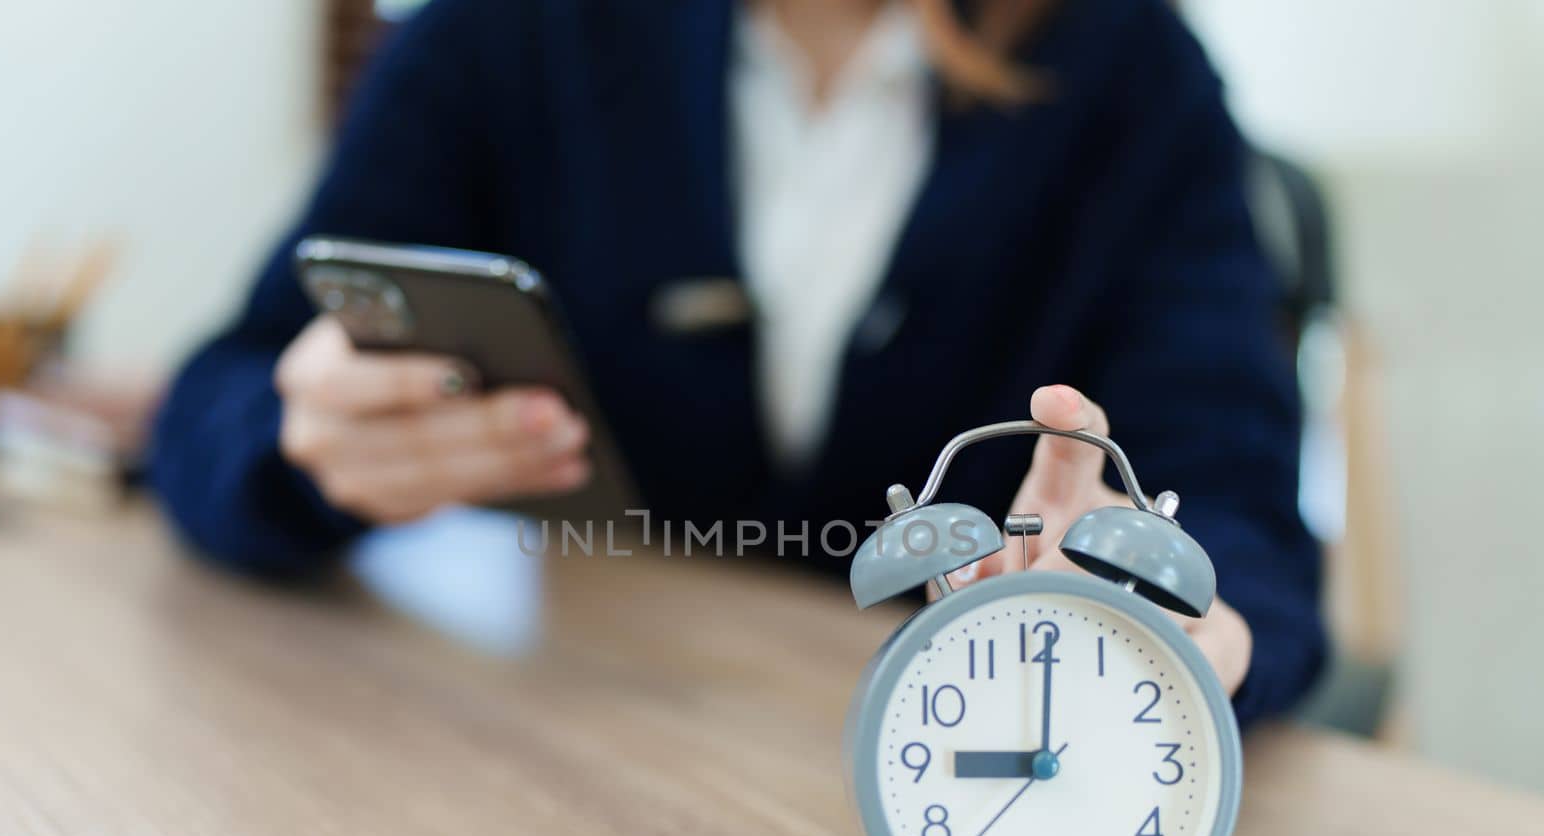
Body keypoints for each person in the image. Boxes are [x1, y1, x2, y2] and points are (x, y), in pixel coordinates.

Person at [151, 0, 1325, 722]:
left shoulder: (1132, 70)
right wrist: (306, 450)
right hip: (586, 763)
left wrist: (1188, 622)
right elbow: (225, 391)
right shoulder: (512, 31)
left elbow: (1241, 517)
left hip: (969, 780)